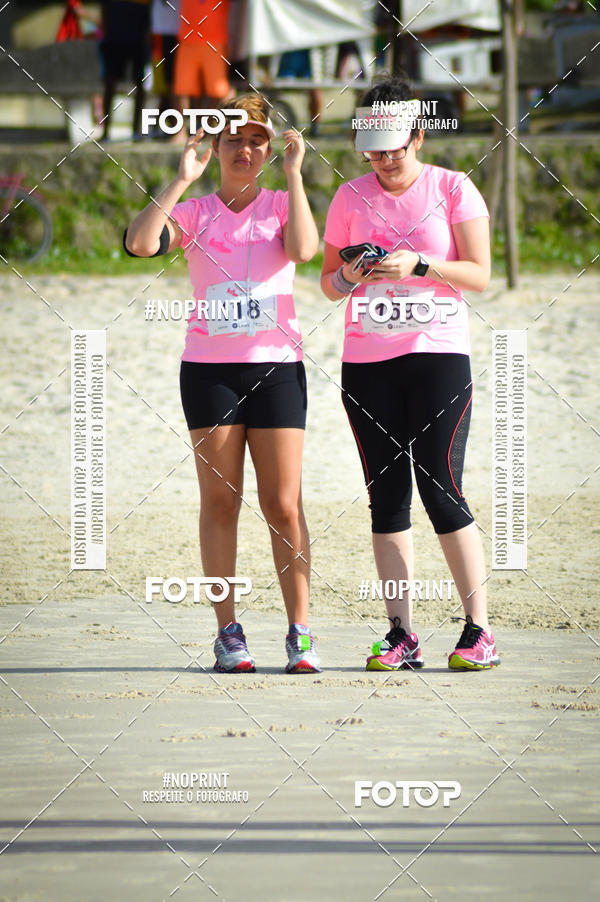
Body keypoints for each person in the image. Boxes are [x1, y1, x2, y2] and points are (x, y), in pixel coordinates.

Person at [124, 93, 321, 673]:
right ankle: (228, 634)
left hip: (277, 368)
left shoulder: (284, 202)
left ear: (268, 148)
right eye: (233, 139)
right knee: (220, 501)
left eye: (256, 139)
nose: (245, 149)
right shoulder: (196, 212)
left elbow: (306, 251)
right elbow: (139, 242)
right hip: (210, 373)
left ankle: (299, 633)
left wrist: (294, 172)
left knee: (283, 504)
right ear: (216, 147)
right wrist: (181, 180)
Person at [320, 76, 500, 672]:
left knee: (442, 488)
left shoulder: (453, 187)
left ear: (419, 136)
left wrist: (421, 264)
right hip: (367, 363)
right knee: (386, 499)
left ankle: (479, 628)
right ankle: (401, 633)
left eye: (395, 147)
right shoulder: (348, 197)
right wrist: (354, 275)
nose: (384, 159)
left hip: (438, 356)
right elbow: (327, 283)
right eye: (373, 149)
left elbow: (479, 273)